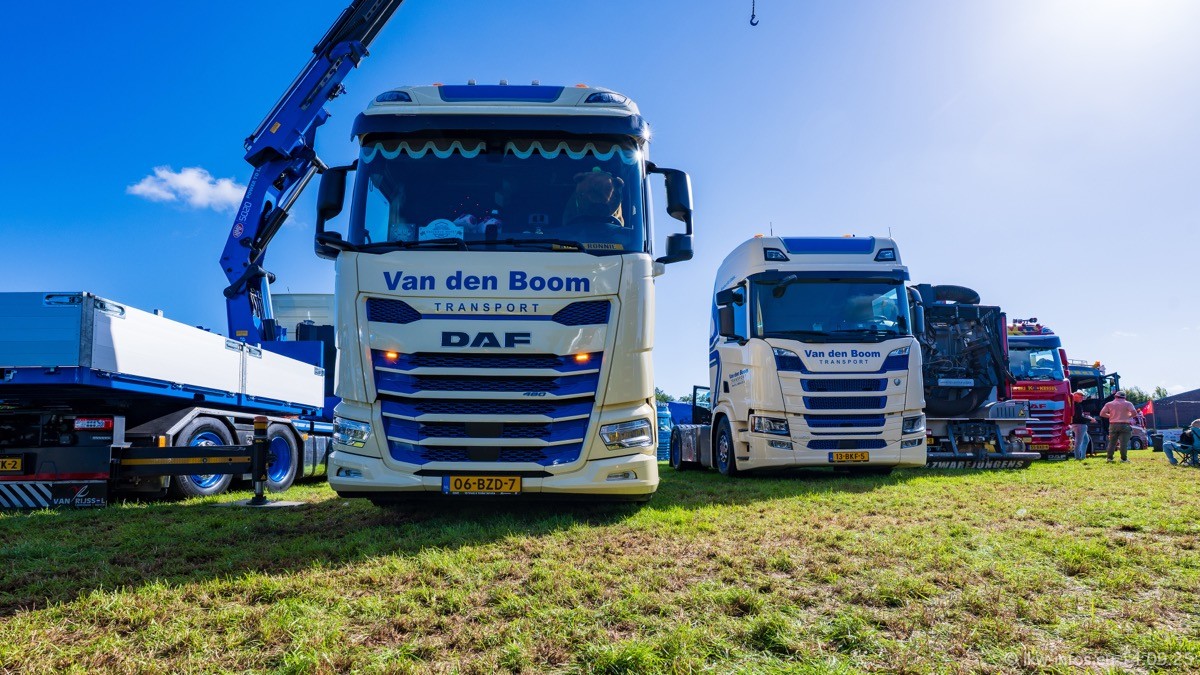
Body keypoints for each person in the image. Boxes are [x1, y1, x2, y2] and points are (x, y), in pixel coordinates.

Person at [1099, 390, 1138, 463]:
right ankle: (1124, 459)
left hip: (1113, 425)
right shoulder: (1128, 403)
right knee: (1123, 443)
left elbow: (1102, 414)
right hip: (1124, 424)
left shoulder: (1109, 404)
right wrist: (1128, 416)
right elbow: (1134, 413)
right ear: (1125, 397)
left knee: (1112, 442)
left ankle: (1109, 458)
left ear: (1115, 396)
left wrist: (1111, 416)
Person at [1069, 390, 1095, 461]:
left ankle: (1083, 456)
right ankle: (1077, 457)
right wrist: (1090, 419)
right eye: (1081, 396)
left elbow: (1079, 415)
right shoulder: (1077, 405)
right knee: (1078, 442)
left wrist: (1087, 417)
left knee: (1086, 440)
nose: (1082, 398)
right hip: (1080, 425)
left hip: (1076, 424)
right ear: (1075, 397)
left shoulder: (1073, 404)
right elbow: (1079, 417)